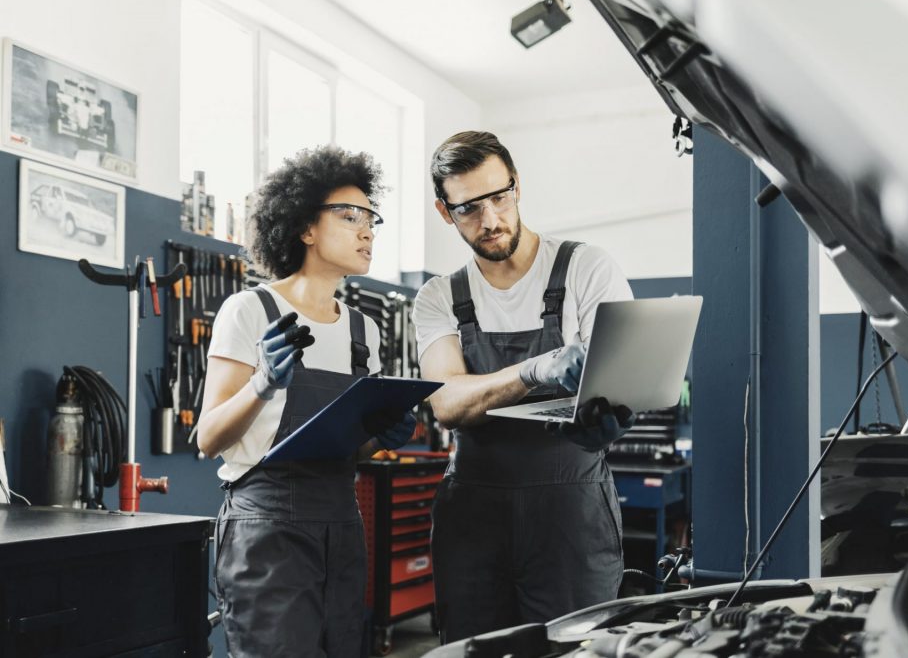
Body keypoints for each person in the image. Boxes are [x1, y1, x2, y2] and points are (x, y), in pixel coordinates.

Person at [412, 131, 636, 643]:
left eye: (499, 196)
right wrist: (536, 369)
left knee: (579, 650)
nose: (490, 220)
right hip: (473, 521)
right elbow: (446, 401)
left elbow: (623, 383)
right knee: (474, 650)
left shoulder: (586, 268)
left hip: (570, 517)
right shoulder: (438, 297)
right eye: (468, 208)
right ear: (445, 212)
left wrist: (609, 419)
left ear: (518, 186)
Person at [196, 146, 417, 657]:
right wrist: (261, 385)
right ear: (305, 228)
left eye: (371, 219)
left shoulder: (365, 330)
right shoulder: (250, 310)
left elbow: (347, 447)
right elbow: (209, 438)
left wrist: (381, 439)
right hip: (267, 525)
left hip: (342, 520)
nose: (366, 231)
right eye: (349, 216)